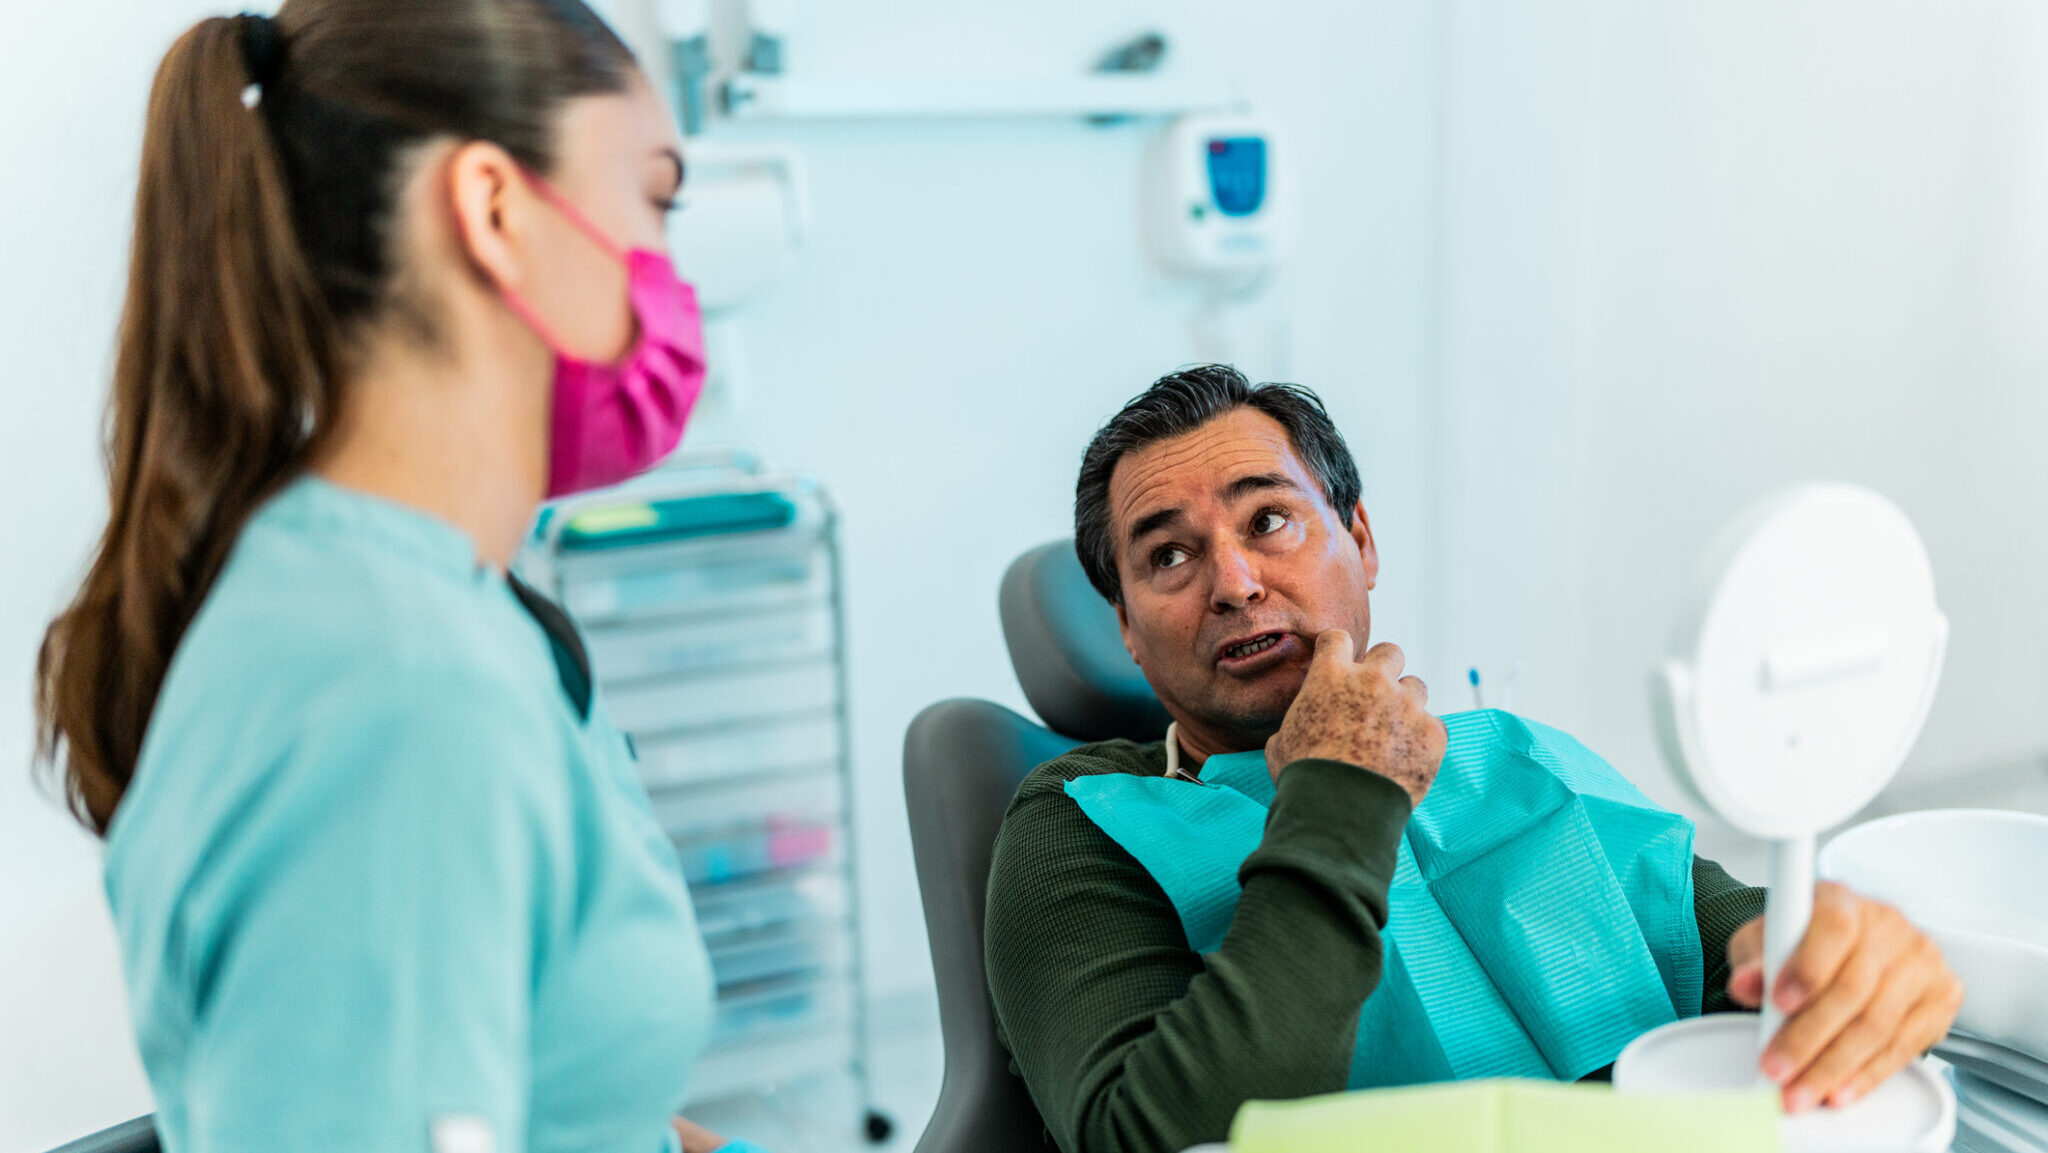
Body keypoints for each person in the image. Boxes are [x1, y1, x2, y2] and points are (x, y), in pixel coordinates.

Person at [34, 3, 759, 1151]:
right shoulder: (397, 684)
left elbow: (551, 1085)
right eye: (652, 198)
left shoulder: (464, 614)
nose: (666, 275)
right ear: (494, 211)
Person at [983, 364, 1963, 1153]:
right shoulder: (1083, 820)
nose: (1234, 582)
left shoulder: (1513, 755)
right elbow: (1154, 1134)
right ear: (1123, 627)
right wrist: (1340, 793)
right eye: (1167, 556)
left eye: (1268, 520)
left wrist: (1849, 968)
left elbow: (1736, 947)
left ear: (1358, 540)